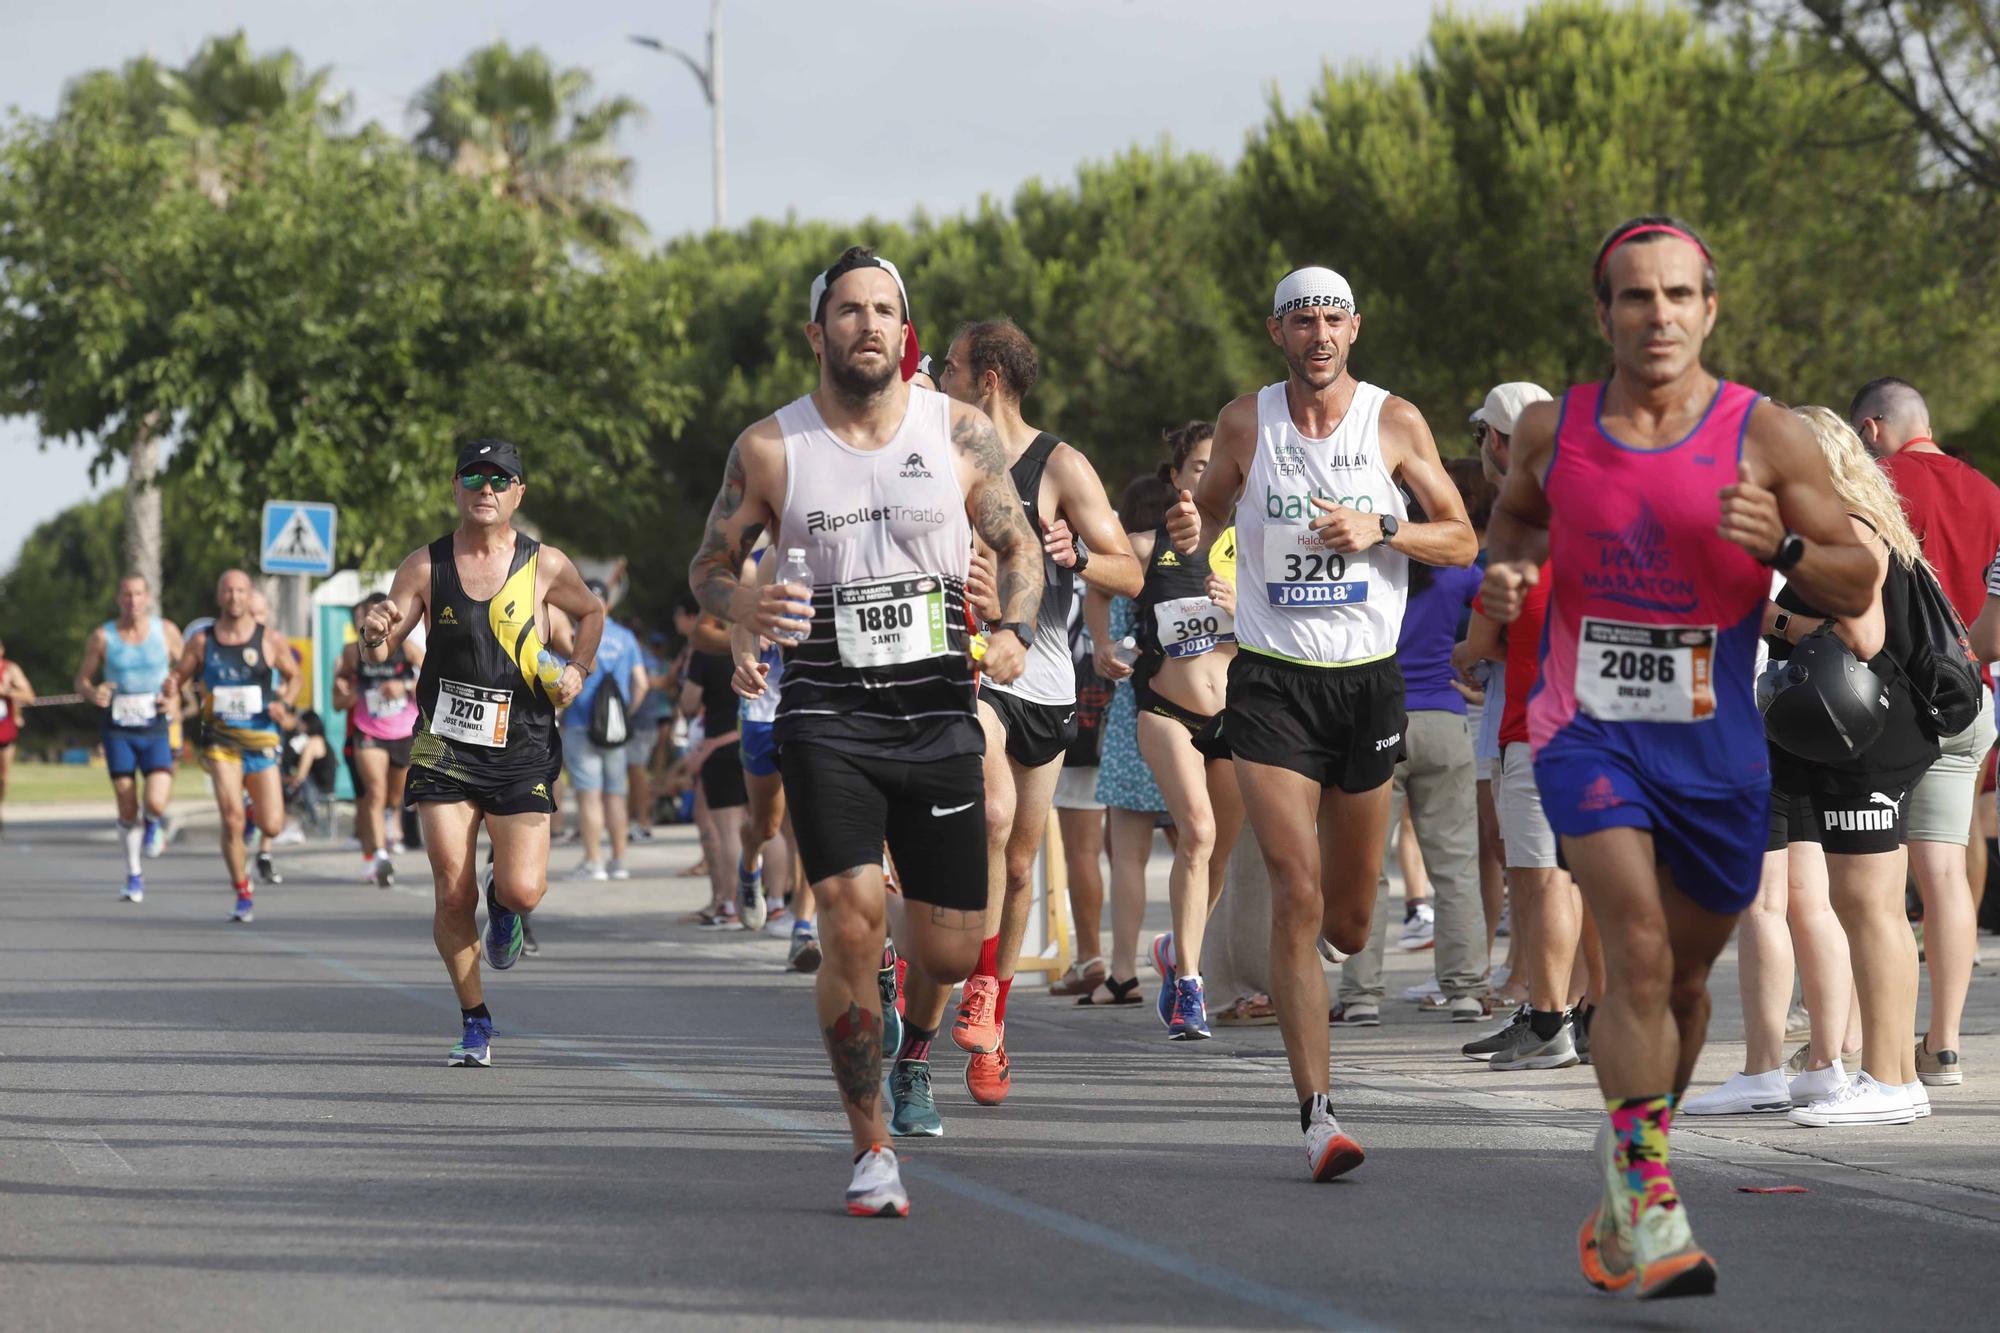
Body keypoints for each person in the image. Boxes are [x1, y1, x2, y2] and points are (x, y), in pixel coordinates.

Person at [1481, 216, 1874, 1298]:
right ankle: (1650, 1189)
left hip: (1717, 744)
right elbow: (1512, 526)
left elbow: (1856, 584)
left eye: (1675, 296)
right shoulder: (1551, 430)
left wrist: (1784, 548)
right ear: (1601, 313)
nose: (1655, 316)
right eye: (1632, 298)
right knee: (1638, 951)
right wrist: (1505, 582)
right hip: (1585, 727)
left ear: (1708, 308)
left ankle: (1625, 1163)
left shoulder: (1766, 437)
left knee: (1689, 980)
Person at [692, 247, 1042, 1216]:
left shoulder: (960, 432)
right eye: (848, 311)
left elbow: (1016, 546)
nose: (868, 325)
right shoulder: (770, 447)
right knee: (845, 912)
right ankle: (870, 1148)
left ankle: (907, 1018)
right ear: (818, 333)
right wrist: (743, 600)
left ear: (904, 328)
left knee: (945, 951)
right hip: (825, 708)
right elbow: (708, 565)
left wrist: (1010, 632)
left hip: (935, 704)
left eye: (884, 309)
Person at [1165, 265, 1476, 1181]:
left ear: (1355, 328)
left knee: (1346, 915)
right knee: (1296, 893)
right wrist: (1195, 533)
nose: (1319, 334)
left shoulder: (1394, 420)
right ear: (1277, 334)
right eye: (1302, 320)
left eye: (1334, 317)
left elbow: (1458, 536)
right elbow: (1209, 510)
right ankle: (1318, 1114)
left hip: (1367, 686)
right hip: (1272, 683)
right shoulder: (1243, 421)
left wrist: (1383, 527)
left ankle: (1337, 953)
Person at [936, 318, 1142, 1103]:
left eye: (951, 369)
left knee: (1021, 863)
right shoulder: (939, 454)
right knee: (991, 818)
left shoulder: (1060, 465)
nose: (942, 379)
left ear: (987, 377)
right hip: (974, 676)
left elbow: (1130, 571)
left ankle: (991, 1012)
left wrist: (1078, 557)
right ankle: (948, 977)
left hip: (1048, 685)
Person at [359, 437, 602, 1067]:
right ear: (455, 486)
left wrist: (578, 667)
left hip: (522, 744)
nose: (485, 488)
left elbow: (592, 610)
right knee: (449, 891)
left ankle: (505, 907)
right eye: (474, 476)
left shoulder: (544, 564)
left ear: (519, 492)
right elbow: (383, 642)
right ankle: (475, 1020)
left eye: (500, 479)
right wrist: (375, 632)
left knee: (523, 890)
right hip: (443, 744)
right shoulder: (424, 565)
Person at [1766, 406, 1940, 1127]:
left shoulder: (1843, 527)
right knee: (1867, 906)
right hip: (1856, 732)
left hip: (1869, 732)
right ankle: (1892, 1074)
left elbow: (1863, 635)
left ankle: (1890, 1077)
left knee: (1871, 908)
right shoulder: (1847, 522)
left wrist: (1773, 622)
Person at [1852, 376, 2000, 1089]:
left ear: (1873, 428)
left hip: (1891, 696)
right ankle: (1943, 1045)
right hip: (1970, 696)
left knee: (1872, 869)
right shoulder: (1987, 491)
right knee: (1948, 867)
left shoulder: (1875, 483)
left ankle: (1862, 1037)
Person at [1337, 477, 1487, 1023]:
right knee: (1455, 865)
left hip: (1375, 722)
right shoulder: (1457, 570)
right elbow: (1500, 606)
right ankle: (1467, 988)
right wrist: (1472, 663)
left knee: (1365, 867)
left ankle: (1360, 995)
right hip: (1446, 720)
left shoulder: (1370, 566)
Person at [1129, 422, 1243, 1040]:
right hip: (1166, 710)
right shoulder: (1152, 544)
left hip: (1234, 715)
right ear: (1176, 477)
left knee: (1218, 850)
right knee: (1196, 831)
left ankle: (1178, 948)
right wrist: (1101, 641)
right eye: (1197, 465)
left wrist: (1241, 606)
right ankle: (1191, 987)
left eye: (1218, 465)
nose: (1208, 475)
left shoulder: (1250, 546)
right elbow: (1107, 573)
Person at [161, 570, 302, 922]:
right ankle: (242, 891)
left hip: (261, 739)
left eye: (240, 590)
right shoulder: (203, 642)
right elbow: (180, 676)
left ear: (248, 596)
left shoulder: (268, 639)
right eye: (228, 590)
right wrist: (170, 687)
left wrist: (283, 704)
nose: (234, 597)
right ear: (219, 596)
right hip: (221, 742)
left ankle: (257, 814)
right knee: (231, 818)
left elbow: (294, 675)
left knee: (272, 825)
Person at [1084, 475, 1176, 1010]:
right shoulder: (1186, 557)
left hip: (1131, 714)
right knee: (1198, 850)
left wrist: (1104, 645)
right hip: (1190, 711)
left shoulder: (1122, 564)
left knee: (1126, 859)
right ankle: (1192, 959)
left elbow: (1108, 622)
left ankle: (1122, 972)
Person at [74, 574, 183, 901]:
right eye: (126, 595)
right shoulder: (102, 636)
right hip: (118, 729)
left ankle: (153, 823)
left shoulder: (165, 631)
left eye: (138, 594)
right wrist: (94, 693)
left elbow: (187, 670)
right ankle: (134, 875)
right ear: (118, 599)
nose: (132, 601)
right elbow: (81, 680)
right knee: (126, 803)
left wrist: (175, 697)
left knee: (154, 801)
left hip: (155, 727)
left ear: (147, 597)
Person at [1046, 586, 1114, 997]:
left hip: (1079, 718)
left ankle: (1092, 957)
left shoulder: (1057, 557)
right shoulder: (1127, 549)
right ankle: (1179, 956)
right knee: (1136, 848)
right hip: (1135, 712)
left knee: (1083, 850)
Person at [333, 592, 425, 887]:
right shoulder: (352, 652)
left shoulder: (406, 648)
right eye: (365, 617)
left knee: (392, 797)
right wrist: (344, 691)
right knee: (374, 792)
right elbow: (341, 686)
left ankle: (390, 817)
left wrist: (404, 685)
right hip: (368, 729)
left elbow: (432, 675)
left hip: (402, 730)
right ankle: (380, 855)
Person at [559, 579, 648, 881]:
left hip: (581, 722)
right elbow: (642, 683)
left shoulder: (573, 634)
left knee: (589, 795)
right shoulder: (625, 638)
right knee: (616, 795)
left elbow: (558, 678)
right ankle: (619, 861)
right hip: (615, 728)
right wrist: (626, 713)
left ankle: (594, 861)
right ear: (609, 603)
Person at [0, 638, 35, 840]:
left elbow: (30, 696)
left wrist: (7, 691)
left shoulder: (10, 670)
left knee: (3, 777)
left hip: (4, 730)